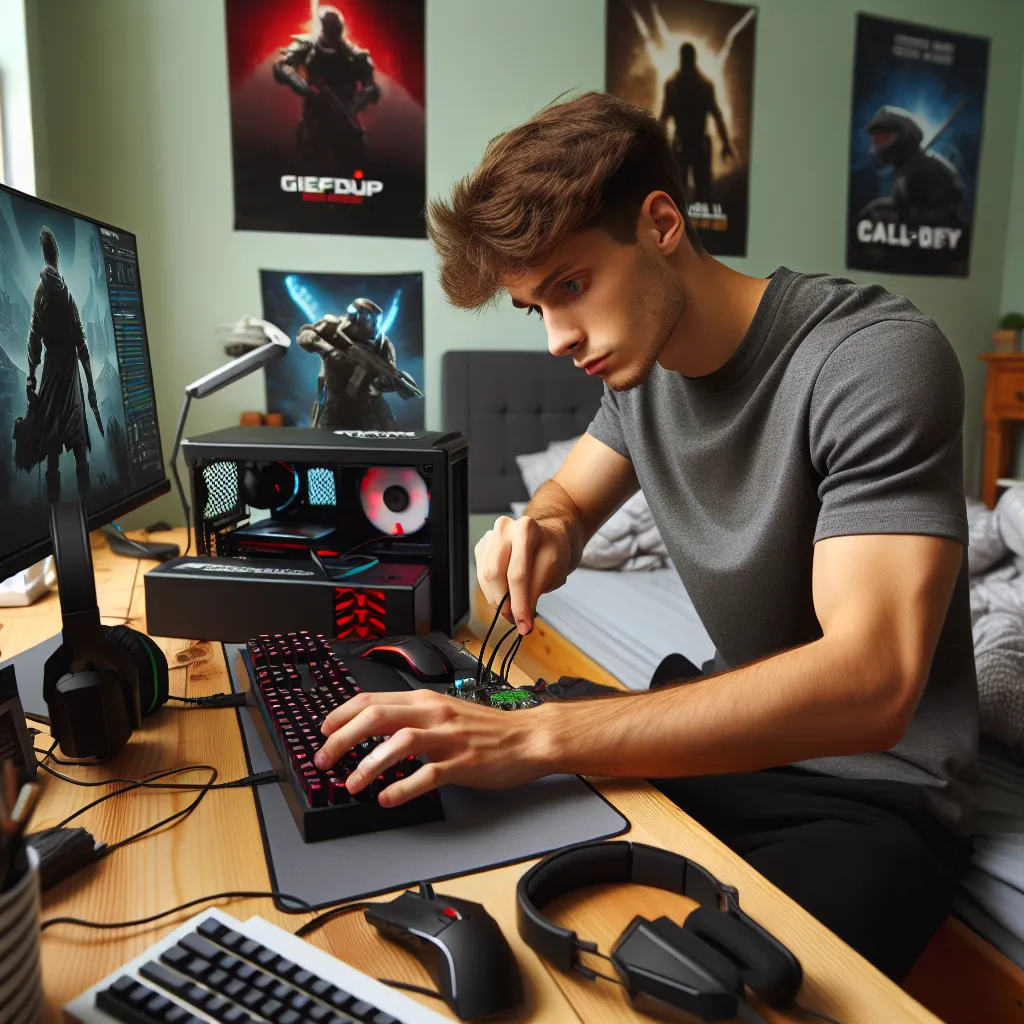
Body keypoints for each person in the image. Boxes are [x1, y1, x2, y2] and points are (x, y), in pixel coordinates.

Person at [313, 91, 978, 980]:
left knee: (688, 980)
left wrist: (539, 738)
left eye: (571, 287)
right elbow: (568, 501)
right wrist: (539, 530)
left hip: (870, 795)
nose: (556, 339)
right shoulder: (640, 370)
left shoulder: (873, 359)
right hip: (730, 738)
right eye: (533, 308)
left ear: (662, 223)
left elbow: (873, 682)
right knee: (452, 811)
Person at [23, 226, 101, 503]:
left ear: (45, 254)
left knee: (53, 452)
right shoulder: (67, 296)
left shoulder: (40, 294)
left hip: (54, 374)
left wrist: (31, 379)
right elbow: (82, 347)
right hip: (69, 375)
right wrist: (90, 386)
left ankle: (59, 516)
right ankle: (86, 509)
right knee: (80, 449)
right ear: (54, 254)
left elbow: (34, 342)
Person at [273, 6, 381, 168]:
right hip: (314, 119)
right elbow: (281, 66)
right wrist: (303, 87)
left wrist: (354, 106)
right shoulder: (308, 46)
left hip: (344, 119)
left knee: (353, 166)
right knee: (310, 166)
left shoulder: (354, 55)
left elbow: (372, 88)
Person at [660, 42, 733, 203]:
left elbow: (664, 117)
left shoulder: (695, 85)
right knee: (681, 195)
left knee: (699, 194)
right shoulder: (688, 85)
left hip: (694, 145)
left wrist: (726, 143)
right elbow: (664, 117)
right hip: (688, 145)